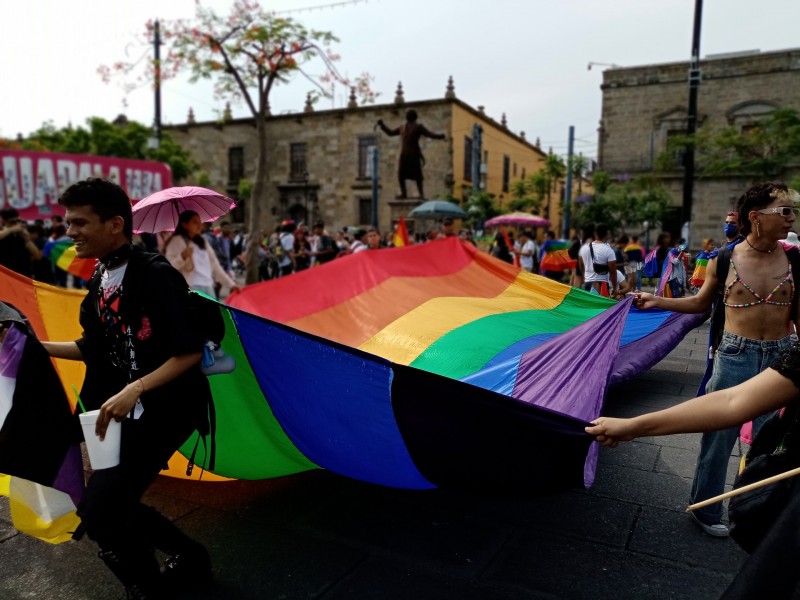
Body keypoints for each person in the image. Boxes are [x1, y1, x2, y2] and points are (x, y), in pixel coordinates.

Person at [40, 178, 213, 598]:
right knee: (110, 504)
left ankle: (150, 586)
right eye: (68, 222)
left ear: (115, 224)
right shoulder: (101, 277)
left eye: (80, 222)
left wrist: (134, 388)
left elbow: (189, 351)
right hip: (123, 413)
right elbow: (92, 347)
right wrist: (32, 345)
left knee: (100, 510)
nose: (70, 232)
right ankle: (189, 558)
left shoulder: (154, 274)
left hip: (166, 410)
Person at [633, 181, 800, 536]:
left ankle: (754, 509)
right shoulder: (724, 259)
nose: (791, 218)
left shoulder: (794, 258)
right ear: (756, 217)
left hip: (781, 357)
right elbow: (700, 303)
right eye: (784, 210)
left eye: (793, 211)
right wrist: (656, 300)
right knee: (719, 435)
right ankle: (706, 509)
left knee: (767, 439)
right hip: (735, 354)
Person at [585, 342, 800, 599]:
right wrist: (633, 427)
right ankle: (708, 511)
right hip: (738, 351)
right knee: (719, 444)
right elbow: (733, 401)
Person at [164, 210, 240, 299]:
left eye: (200, 222)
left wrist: (231, 284)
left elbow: (215, 267)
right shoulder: (176, 241)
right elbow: (168, 267)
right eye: (194, 222)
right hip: (192, 289)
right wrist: (182, 257)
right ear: (185, 225)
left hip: (209, 286)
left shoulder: (202, 241)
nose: (199, 225)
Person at [376, 109, 446, 199]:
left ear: (413, 116)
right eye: (406, 115)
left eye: (408, 115)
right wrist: (382, 125)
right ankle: (403, 193)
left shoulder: (418, 127)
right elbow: (391, 133)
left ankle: (421, 194)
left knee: (417, 175)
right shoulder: (403, 127)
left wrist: (440, 136)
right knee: (401, 174)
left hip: (414, 154)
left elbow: (429, 134)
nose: (406, 116)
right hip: (404, 154)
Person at [0, 208, 42, 277]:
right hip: (5, 276)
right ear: (4, 221)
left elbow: (37, 256)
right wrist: (11, 230)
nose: (16, 224)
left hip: (23, 276)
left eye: (17, 221)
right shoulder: (3, 233)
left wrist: (27, 238)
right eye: (12, 222)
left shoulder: (22, 234)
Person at [577, 223, 617, 297]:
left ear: (595, 233)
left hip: (587, 283)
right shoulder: (609, 250)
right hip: (602, 285)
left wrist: (585, 276)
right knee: (602, 308)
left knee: (588, 306)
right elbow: (613, 272)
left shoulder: (584, 248)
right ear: (607, 234)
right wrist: (614, 288)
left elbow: (581, 265)